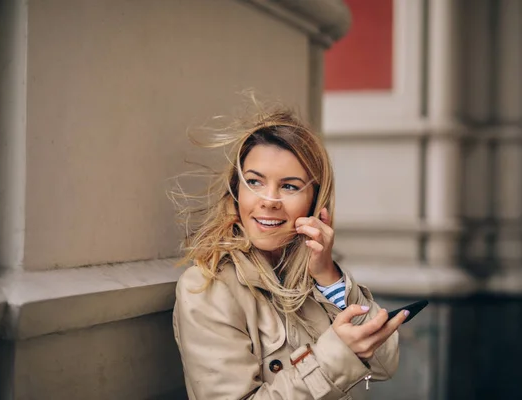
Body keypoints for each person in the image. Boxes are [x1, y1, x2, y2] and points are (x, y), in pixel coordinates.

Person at [172, 106, 407, 399]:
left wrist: (328, 277)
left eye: (289, 186)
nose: (269, 200)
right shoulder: (207, 288)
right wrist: (336, 358)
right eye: (254, 181)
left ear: (314, 201)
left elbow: (384, 364)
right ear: (236, 190)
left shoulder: (317, 277)